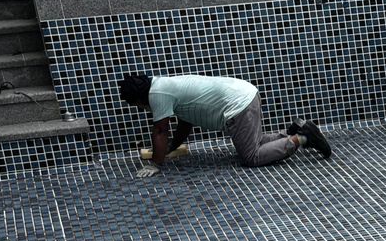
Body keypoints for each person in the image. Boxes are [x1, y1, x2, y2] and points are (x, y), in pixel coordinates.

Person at [117, 72, 330, 169]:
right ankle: (294, 130)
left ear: (138, 99)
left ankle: (300, 138)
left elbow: (160, 131)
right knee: (255, 143)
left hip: (238, 106)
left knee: (251, 157)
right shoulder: (163, 84)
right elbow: (185, 122)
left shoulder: (157, 95)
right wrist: (173, 147)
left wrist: (156, 163)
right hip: (245, 94)